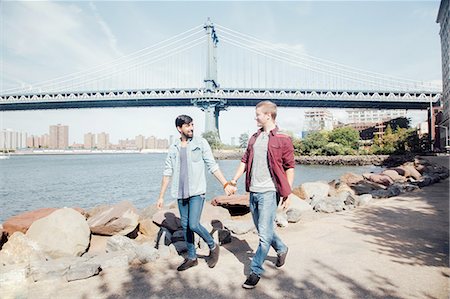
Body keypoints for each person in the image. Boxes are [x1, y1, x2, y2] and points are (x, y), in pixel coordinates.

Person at [156, 114, 236, 271]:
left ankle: (212, 246)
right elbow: (167, 172)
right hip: (180, 193)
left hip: (196, 192)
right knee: (186, 227)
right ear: (179, 129)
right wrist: (160, 196)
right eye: (187, 126)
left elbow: (212, 165)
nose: (191, 128)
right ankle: (192, 258)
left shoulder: (201, 143)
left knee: (193, 224)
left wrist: (225, 183)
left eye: (192, 124)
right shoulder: (173, 148)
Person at [230, 101, 295, 289]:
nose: (255, 117)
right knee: (263, 229)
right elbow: (244, 160)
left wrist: (287, 192)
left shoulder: (283, 138)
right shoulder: (254, 137)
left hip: (269, 192)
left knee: (263, 236)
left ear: (268, 115)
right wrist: (233, 180)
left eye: (258, 114)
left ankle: (255, 270)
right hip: (254, 191)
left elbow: (289, 166)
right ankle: (282, 248)